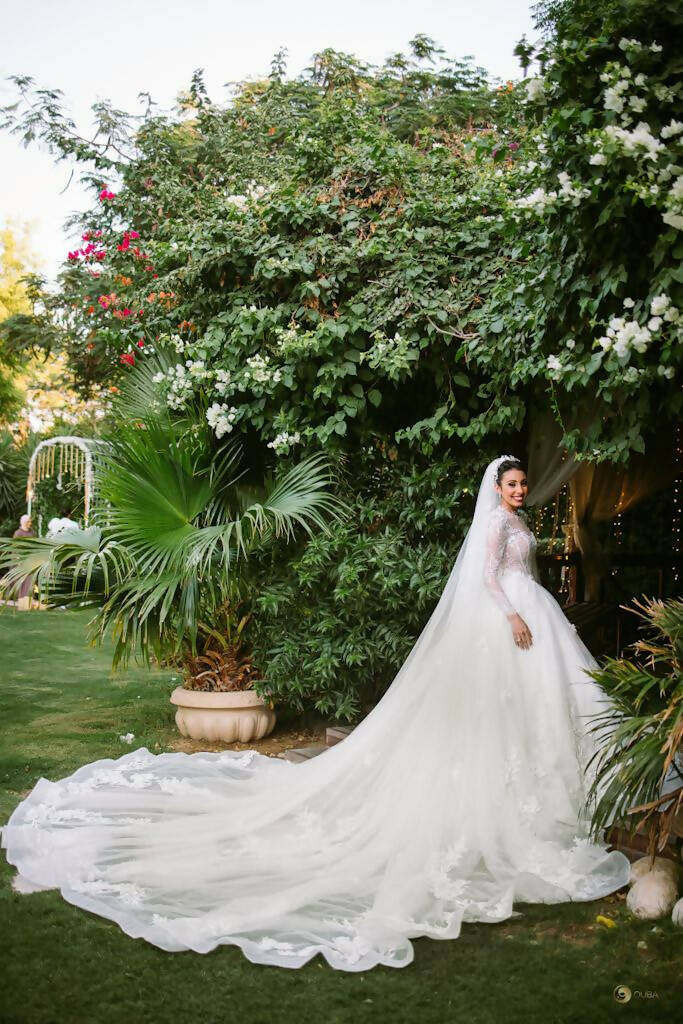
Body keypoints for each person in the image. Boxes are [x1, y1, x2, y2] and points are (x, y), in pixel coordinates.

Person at [0, 455, 631, 971]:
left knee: (536, 709)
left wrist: (528, 605)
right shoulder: (494, 524)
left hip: (531, 615)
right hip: (508, 619)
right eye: (512, 483)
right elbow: (490, 581)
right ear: (496, 486)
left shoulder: (516, 520)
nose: (520, 491)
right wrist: (515, 614)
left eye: (523, 484)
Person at [10, 514, 36, 609]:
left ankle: (28, 604)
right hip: (20, 562)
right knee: (22, 582)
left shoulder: (32, 532)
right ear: (24, 522)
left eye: (30, 521)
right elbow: (15, 548)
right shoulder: (18, 533)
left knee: (30, 582)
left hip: (30, 561)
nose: (30, 523)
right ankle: (22, 604)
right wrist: (18, 561)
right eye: (29, 521)